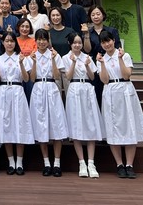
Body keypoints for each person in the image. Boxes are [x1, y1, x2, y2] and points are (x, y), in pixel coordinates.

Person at [96, 30, 143, 179]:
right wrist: (102, 63)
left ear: (114, 40)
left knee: (129, 125)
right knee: (113, 127)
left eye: (108, 41)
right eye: (103, 42)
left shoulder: (125, 55)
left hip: (125, 90)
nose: (107, 44)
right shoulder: (101, 59)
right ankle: (119, 164)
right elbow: (104, 80)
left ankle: (129, 165)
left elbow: (126, 75)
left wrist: (119, 58)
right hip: (110, 91)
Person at [25, 30, 68, 177]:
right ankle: (46, 163)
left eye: (44, 39)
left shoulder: (54, 55)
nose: (42, 42)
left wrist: (54, 59)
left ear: (48, 40)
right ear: (36, 40)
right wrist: (34, 62)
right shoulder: (31, 56)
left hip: (52, 88)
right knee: (41, 125)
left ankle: (57, 163)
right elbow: (31, 78)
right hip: (38, 89)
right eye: (39, 39)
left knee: (57, 124)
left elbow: (57, 76)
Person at [62, 32, 103, 179]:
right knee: (76, 125)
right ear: (70, 44)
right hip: (74, 89)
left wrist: (87, 66)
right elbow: (68, 77)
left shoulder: (87, 57)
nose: (77, 45)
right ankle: (81, 163)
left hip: (87, 90)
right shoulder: (65, 58)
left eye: (79, 42)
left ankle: (91, 162)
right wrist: (73, 63)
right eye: (75, 43)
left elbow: (92, 77)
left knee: (91, 124)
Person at [0, 32, 34, 175]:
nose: (9, 43)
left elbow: (26, 78)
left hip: (18, 91)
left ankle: (20, 162)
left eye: (12, 41)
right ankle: (11, 161)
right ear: (3, 43)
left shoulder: (21, 57)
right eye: (7, 41)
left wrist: (22, 64)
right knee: (6, 125)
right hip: (4, 91)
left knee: (19, 124)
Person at [88, 5, 121, 105]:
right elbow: (87, 50)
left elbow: (118, 47)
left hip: (110, 64)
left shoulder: (111, 31)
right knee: (97, 93)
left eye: (98, 14)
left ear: (103, 15)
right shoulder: (88, 33)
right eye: (93, 15)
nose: (96, 17)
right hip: (95, 64)